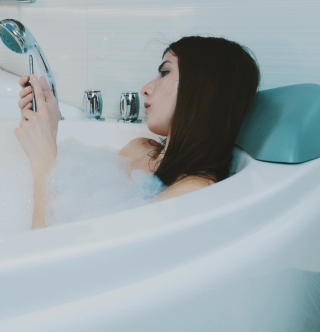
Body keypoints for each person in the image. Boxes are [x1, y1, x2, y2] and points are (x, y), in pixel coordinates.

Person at [15, 36, 260, 229]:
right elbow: (72, 209)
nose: (145, 88)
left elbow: (53, 263)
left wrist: (43, 163)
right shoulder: (139, 149)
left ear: (202, 90)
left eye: (165, 72)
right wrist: (50, 127)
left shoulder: (192, 191)